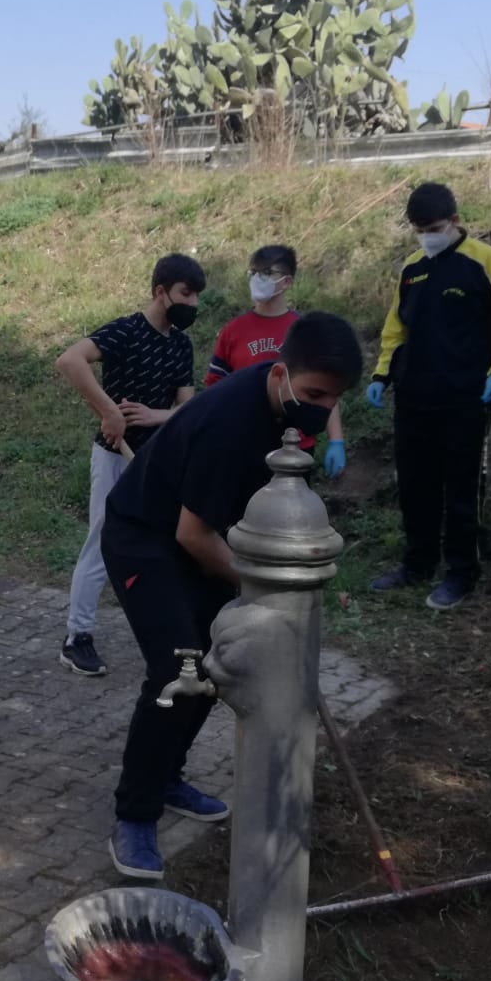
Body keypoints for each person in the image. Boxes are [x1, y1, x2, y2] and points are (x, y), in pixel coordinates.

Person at [100, 312, 364, 878]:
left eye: (333, 399)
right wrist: (262, 592)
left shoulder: (286, 407)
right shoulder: (232, 423)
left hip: (201, 535)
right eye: (315, 393)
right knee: (181, 664)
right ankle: (135, 814)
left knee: (219, 664)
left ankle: (166, 775)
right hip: (146, 537)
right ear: (279, 374)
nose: (321, 407)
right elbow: (191, 535)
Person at [366, 182, 491, 610]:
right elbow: (395, 329)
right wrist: (382, 375)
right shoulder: (413, 268)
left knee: (462, 488)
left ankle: (461, 572)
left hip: (465, 399)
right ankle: (417, 563)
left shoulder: (485, 262)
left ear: (455, 221)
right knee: (415, 486)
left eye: (435, 227)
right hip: (414, 398)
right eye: (420, 229)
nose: (427, 236)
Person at [54, 253, 205, 678]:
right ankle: (76, 637)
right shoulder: (125, 330)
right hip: (114, 455)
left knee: (164, 545)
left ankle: (168, 635)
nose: (191, 304)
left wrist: (158, 416)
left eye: (195, 297)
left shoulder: (180, 343)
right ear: (161, 292)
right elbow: (70, 360)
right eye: (185, 294)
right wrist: (108, 411)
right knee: (103, 542)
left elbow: (187, 406)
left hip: (159, 463)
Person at [206, 243, 347, 476]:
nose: (258, 278)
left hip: (295, 446)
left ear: (287, 282)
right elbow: (215, 390)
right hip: (245, 443)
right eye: (254, 272)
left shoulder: (304, 331)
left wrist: (337, 441)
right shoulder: (233, 331)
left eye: (268, 273)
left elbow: (324, 390)